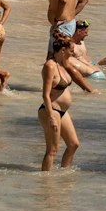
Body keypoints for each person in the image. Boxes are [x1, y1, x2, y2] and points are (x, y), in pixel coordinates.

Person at [39, 29, 94, 171]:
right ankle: (45, 182)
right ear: (63, 50)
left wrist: (89, 90)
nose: (73, 53)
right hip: (51, 110)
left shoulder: (64, 63)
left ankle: (64, 174)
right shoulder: (49, 66)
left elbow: (76, 76)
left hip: (63, 111)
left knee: (73, 144)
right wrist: (51, 116)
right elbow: (45, 94)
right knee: (52, 150)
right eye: (71, 50)